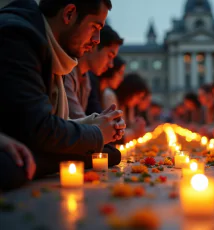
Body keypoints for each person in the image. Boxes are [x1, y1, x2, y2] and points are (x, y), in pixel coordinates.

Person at [0, 0, 125, 179]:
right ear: (69, 14)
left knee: (109, 154)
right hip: (17, 147)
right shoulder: (18, 37)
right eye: (94, 27)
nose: (97, 39)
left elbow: (48, 124)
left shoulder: (57, 54)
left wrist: (97, 125)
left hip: (29, 140)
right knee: (14, 164)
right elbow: (38, 129)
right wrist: (97, 133)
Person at [65, 25, 123, 119]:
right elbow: (77, 119)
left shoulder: (86, 79)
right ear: (94, 45)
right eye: (109, 56)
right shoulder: (67, 71)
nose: (111, 64)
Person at [116, 73, 149, 142]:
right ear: (130, 92)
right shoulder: (112, 98)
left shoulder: (129, 107)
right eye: (138, 97)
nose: (138, 101)